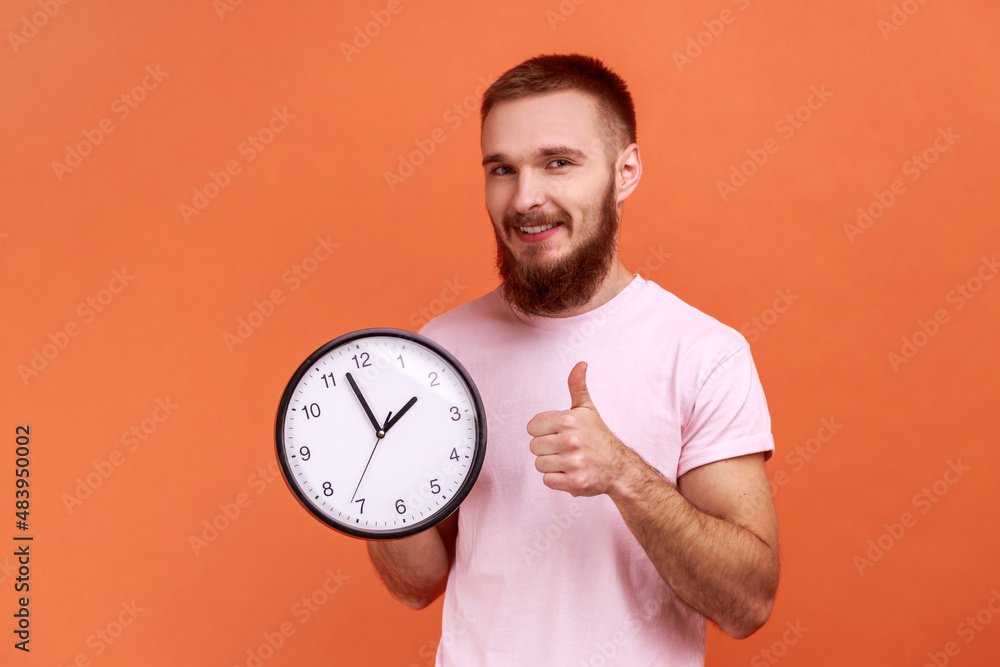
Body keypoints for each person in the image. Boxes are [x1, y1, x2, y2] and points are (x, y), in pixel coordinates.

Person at [368, 53, 780, 666]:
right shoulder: (440, 352)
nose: (525, 197)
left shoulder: (703, 354)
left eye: (557, 163)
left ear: (625, 171)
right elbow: (419, 584)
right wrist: (371, 480)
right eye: (502, 169)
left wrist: (623, 474)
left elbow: (746, 604)